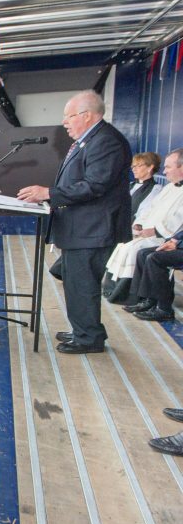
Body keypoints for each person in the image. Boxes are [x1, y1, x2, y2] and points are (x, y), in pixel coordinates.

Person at [17, 90, 132, 354]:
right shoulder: (90, 140)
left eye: (69, 116)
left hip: (93, 230)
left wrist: (49, 193)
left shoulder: (106, 141)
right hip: (82, 228)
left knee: (83, 283)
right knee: (76, 281)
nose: (65, 122)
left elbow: (96, 184)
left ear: (87, 115)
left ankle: (89, 338)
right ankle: (84, 330)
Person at [102, 150, 183, 302]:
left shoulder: (158, 187)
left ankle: (133, 296)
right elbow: (151, 208)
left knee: (135, 249)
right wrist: (141, 224)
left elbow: (178, 220)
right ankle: (115, 291)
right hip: (151, 231)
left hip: (165, 236)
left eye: (168, 167)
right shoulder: (169, 187)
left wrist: (155, 231)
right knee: (124, 246)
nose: (164, 172)